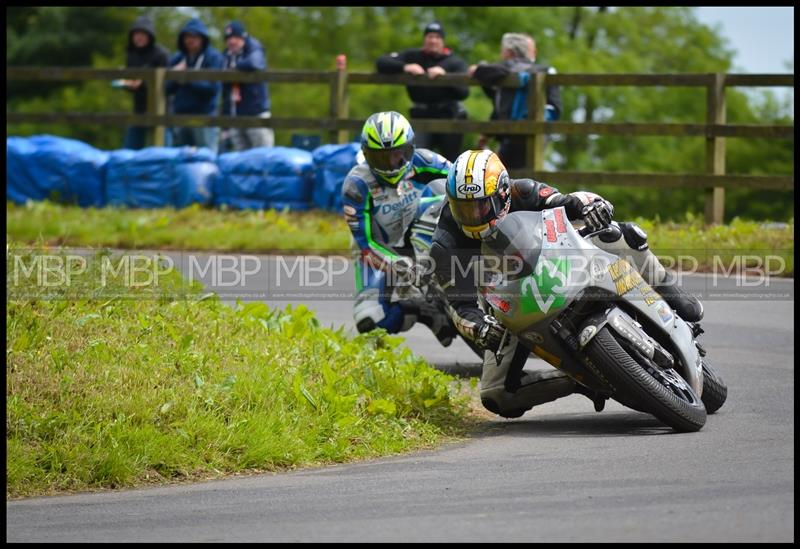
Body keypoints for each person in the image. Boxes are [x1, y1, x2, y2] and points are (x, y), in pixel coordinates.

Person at [430, 149, 704, 419]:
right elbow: (458, 304)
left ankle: (672, 292)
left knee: (622, 233)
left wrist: (592, 207)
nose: (472, 216)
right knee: (496, 394)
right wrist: (479, 328)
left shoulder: (521, 192)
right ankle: (579, 379)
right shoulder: (444, 245)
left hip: (558, 262)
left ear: (502, 192)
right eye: (462, 208)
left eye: (480, 205)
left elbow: (565, 201)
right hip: (508, 302)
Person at [341, 111, 455, 343]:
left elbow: (465, 181)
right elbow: (366, 245)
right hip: (380, 251)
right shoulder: (356, 186)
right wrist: (400, 266)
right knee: (370, 322)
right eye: (382, 158)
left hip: (421, 228)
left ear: (410, 148)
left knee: (440, 199)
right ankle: (422, 310)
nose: (393, 164)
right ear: (366, 155)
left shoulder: (426, 161)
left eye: (399, 155)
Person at [376, 21, 469, 162]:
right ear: (424, 39)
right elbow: (381, 62)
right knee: (418, 158)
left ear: (442, 41)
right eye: (430, 36)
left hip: (448, 116)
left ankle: (449, 185)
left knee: (450, 162)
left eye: (437, 37)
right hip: (421, 116)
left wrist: (446, 77)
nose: (433, 40)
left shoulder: (455, 62)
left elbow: (464, 92)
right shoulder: (413, 56)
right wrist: (405, 67)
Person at [469, 33, 562, 169]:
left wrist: (477, 69)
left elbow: (489, 73)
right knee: (524, 176)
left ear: (509, 51)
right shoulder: (544, 69)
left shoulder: (510, 67)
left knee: (501, 176)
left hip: (513, 134)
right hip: (536, 134)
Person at [165, 18, 224, 153]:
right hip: (180, 115)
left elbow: (212, 89)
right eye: (187, 36)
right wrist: (174, 77)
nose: (190, 40)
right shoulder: (178, 58)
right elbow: (166, 89)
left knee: (206, 158)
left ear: (202, 38)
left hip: (204, 116)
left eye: (194, 36)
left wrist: (187, 79)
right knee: (180, 160)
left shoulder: (213, 57)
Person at [219, 20, 274, 152]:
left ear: (243, 37)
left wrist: (233, 69)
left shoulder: (254, 47)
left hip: (256, 113)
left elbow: (255, 63)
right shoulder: (227, 55)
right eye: (228, 39)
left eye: (235, 38)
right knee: (241, 160)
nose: (232, 42)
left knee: (262, 156)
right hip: (235, 115)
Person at [119, 15, 170, 150]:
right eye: (136, 34)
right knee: (130, 150)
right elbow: (131, 81)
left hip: (162, 111)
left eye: (142, 34)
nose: (139, 37)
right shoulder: (131, 54)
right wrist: (126, 84)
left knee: (164, 151)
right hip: (139, 108)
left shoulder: (161, 54)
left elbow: (168, 84)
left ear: (150, 36)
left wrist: (142, 84)